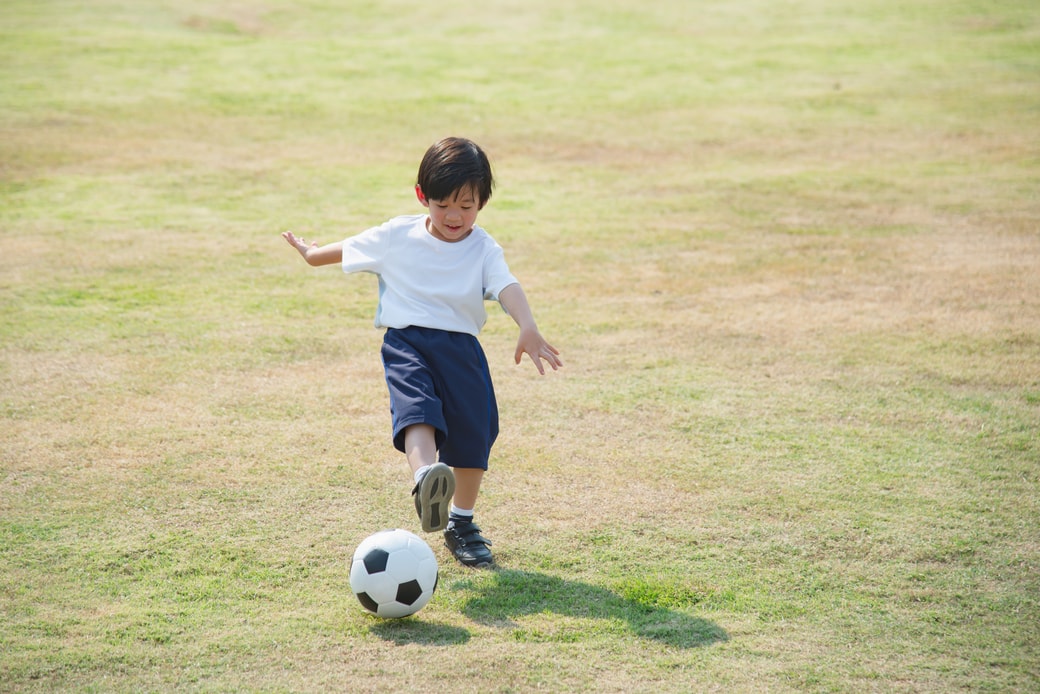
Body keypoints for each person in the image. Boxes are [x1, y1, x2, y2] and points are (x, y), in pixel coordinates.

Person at [282, 137, 561, 567]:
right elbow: (348, 249)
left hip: (462, 350)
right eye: (443, 204)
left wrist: (527, 325)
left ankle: (460, 522)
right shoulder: (397, 235)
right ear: (421, 196)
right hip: (407, 342)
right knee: (418, 412)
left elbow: (507, 286)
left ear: (482, 203)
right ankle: (426, 478)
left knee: (474, 435)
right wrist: (311, 253)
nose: (454, 216)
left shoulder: (483, 247)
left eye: (466, 206)